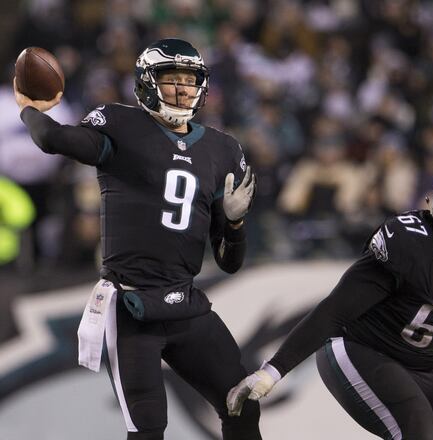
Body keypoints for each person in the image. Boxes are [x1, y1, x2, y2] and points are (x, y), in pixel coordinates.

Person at [15, 38, 260, 440]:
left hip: (186, 304)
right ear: (147, 83)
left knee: (242, 404)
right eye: (171, 80)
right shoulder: (121, 124)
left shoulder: (223, 149)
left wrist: (234, 226)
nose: (182, 89)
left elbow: (230, 262)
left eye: (189, 80)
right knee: (147, 431)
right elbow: (52, 140)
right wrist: (30, 109)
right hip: (131, 308)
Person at [226, 164, 433, 440]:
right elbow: (335, 310)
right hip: (360, 350)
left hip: (429, 364)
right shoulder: (410, 241)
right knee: (415, 425)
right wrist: (272, 372)